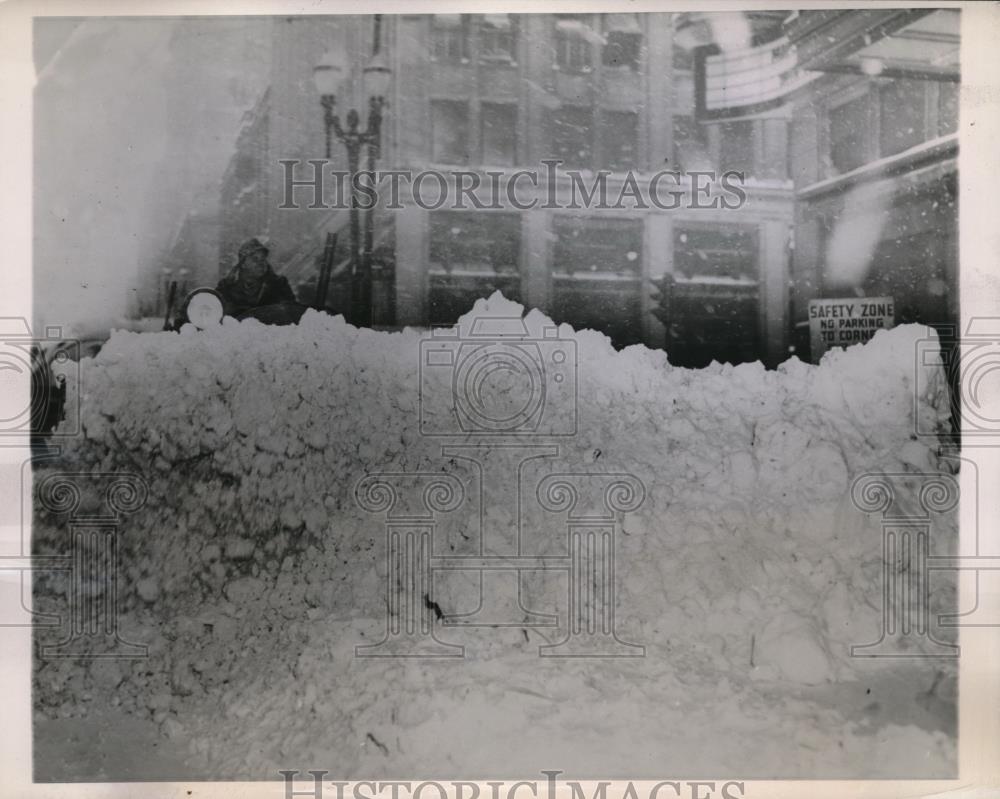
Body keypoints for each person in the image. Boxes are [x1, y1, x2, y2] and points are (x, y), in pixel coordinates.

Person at [215, 237, 296, 318]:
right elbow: (215, 313)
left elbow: (290, 312)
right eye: (255, 259)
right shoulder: (226, 287)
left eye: (263, 259)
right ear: (243, 264)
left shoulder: (279, 284)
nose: (261, 263)